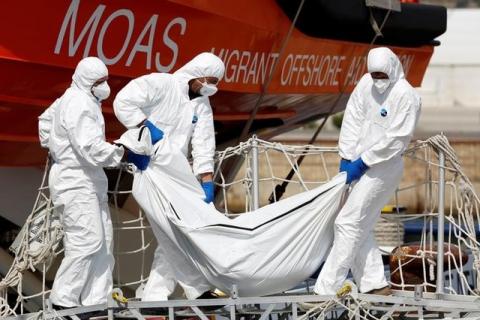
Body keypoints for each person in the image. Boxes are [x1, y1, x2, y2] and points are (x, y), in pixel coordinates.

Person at [113, 52, 225, 301]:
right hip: (149, 170)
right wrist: (144, 126)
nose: (211, 87)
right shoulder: (161, 84)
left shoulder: (201, 105)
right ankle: (197, 291)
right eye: (209, 80)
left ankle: (155, 297)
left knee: (175, 232)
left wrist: (206, 181)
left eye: (216, 82)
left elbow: (204, 143)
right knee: (173, 231)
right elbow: (124, 101)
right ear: (196, 73)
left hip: (177, 175)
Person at [314, 47, 421, 296]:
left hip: (383, 169)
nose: (378, 80)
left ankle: (325, 289)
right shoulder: (366, 83)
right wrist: (346, 156)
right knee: (355, 225)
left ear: (393, 68)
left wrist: (363, 161)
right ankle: (374, 283)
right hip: (356, 165)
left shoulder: (406, 95)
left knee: (348, 222)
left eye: (382, 75)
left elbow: (397, 139)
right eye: (374, 75)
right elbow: (353, 118)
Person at [38, 57, 138, 309]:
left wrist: (52, 144)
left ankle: (96, 301)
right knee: (86, 239)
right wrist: (123, 153)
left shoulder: (73, 98)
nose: (105, 86)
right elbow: (90, 147)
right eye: (99, 82)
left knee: (104, 241)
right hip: (75, 180)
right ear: (86, 80)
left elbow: (45, 121)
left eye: (105, 80)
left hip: (89, 180)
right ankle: (63, 301)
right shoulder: (79, 103)